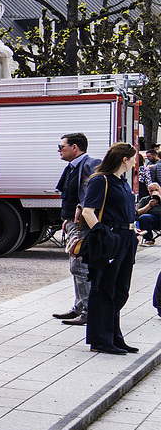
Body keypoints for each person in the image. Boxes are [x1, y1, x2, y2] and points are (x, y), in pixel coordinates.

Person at [79, 141, 140, 355]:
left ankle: (114, 335)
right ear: (124, 159)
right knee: (105, 287)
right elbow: (88, 211)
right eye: (133, 157)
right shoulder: (100, 180)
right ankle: (101, 339)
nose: (135, 161)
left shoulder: (121, 181)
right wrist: (104, 233)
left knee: (120, 289)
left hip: (127, 237)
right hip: (111, 238)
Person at [54, 133, 100, 326]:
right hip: (73, 223)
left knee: (79, 266)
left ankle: (88, 311)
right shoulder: (73, 167)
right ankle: (80, 307)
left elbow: (92, 190)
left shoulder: (89, 164)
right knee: (76, 267)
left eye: (61, 146)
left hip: (82, 225)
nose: (59, 150)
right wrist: (67, 220)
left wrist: (82, 208)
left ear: (75, 147)